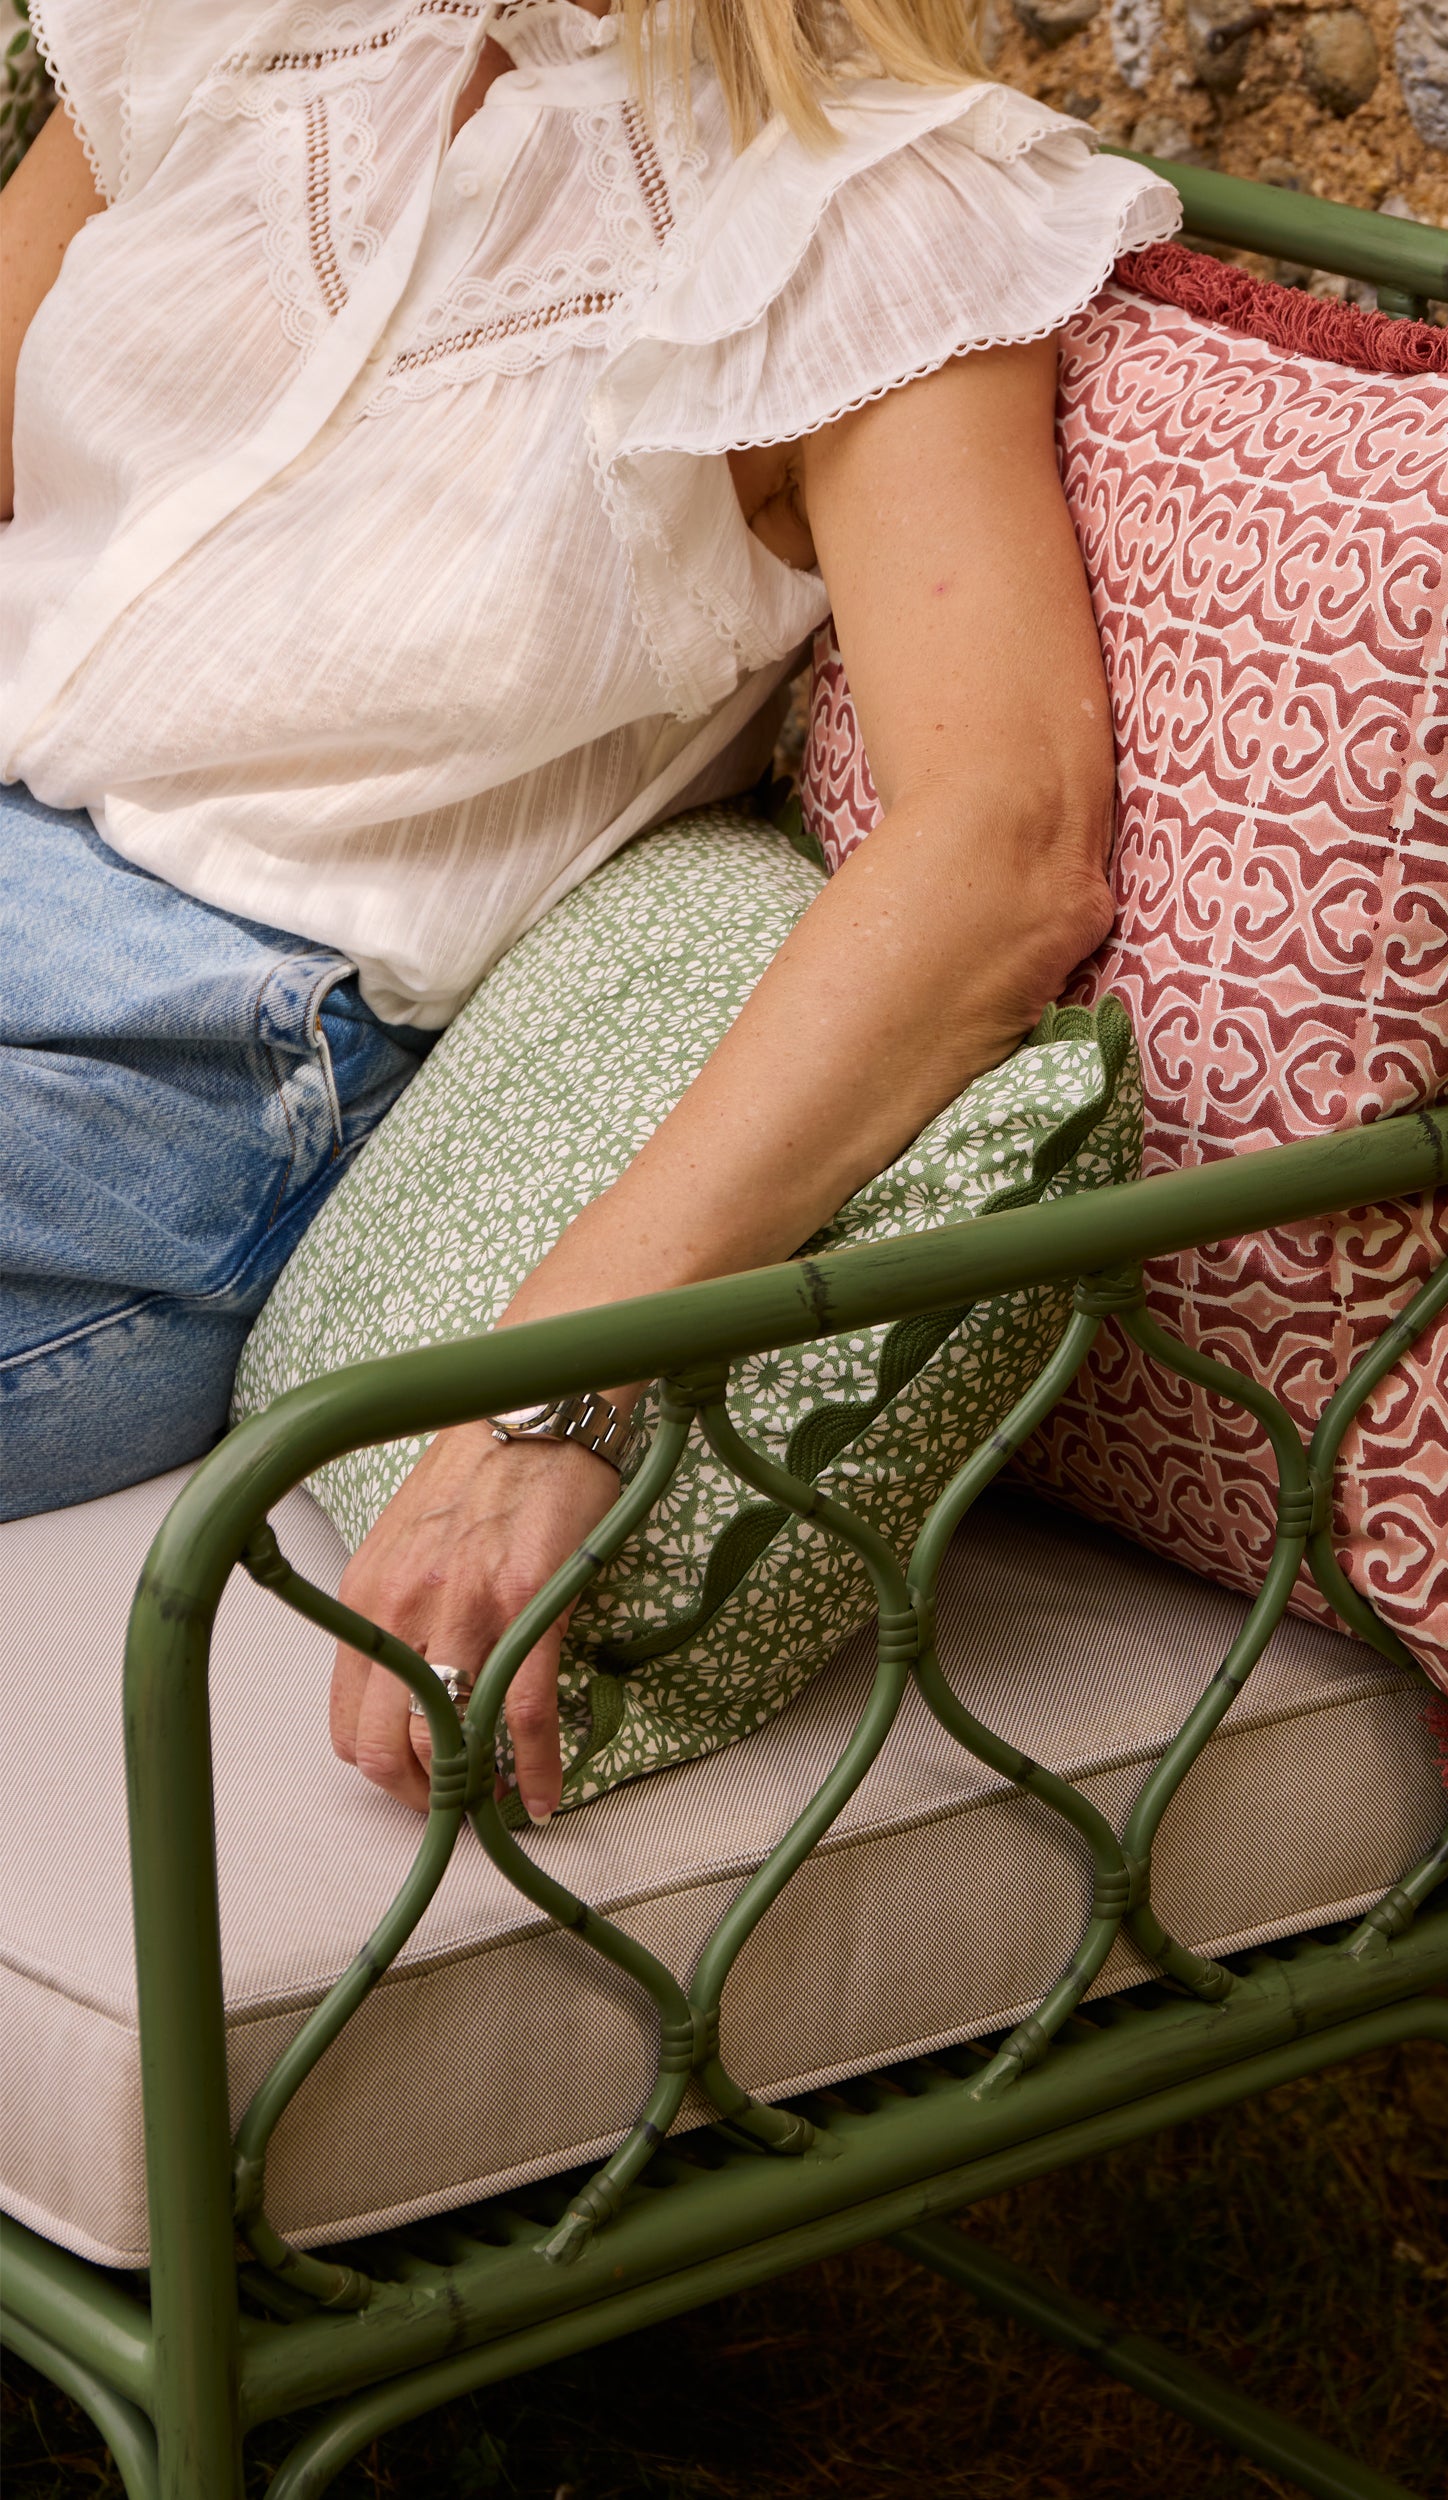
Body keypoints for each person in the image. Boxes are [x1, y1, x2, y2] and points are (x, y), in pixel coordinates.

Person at [0, 0, 1178, 1818]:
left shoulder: (865, 207)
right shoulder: (223, 24)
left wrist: (546, 1395)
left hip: (193, 1038)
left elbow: (1002, 847)